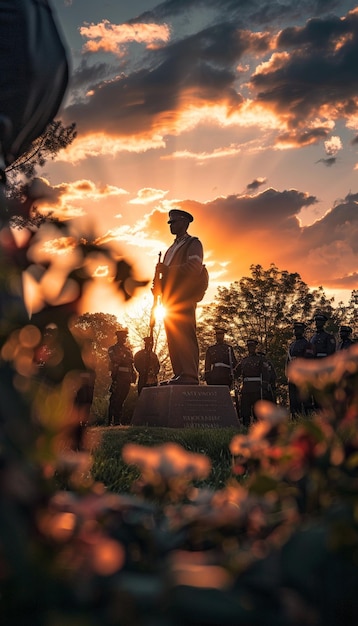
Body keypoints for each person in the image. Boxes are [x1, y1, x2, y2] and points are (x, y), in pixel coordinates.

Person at [156, 209, 205, 385]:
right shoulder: (170, 249)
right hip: (169, 299)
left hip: (184, 296)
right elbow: (167, 277)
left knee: (184, 334)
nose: (172, 225)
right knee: (173, 337)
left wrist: (169, 270)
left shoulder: (193, 243)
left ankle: (190, 374)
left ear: (185, 223)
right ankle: (180, 374)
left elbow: (194, 268)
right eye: (170, 223)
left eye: (175, 222)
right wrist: (158, 287)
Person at [236, 339, 275, 427]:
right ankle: (246, 426)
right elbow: (236, 372)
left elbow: (265, 373)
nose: (251, 348)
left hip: (257, 388)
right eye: (249, 347)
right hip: (246, 389)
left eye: (252, 346)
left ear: (255, 347)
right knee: (245, 410)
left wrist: (264, 386)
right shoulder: (244, 360)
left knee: (257, 411)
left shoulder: (260, 360)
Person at [107, 328, 136, 425]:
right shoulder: (112, 349)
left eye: (125, 337)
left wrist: (124, 360)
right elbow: (115, 359)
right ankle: (111, 420)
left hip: (127, 377)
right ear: (119, 337)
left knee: (122, 399)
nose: (125, 339)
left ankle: (117, 421)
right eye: (123, 337)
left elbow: (131, 361)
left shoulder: (128, 349)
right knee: (115, 399)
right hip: (118, 377)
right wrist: (124, 359)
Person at [286, 321, 314, 418]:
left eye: (298, 329)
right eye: (295, 329)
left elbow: (309, 359)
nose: (296, 331)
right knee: (293, 401)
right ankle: (295, 418)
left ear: (303, 331)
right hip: (293, 376)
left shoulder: (307, 344)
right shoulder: (292, 345)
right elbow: (288, 362)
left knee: (305, 399)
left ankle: (308, 419)